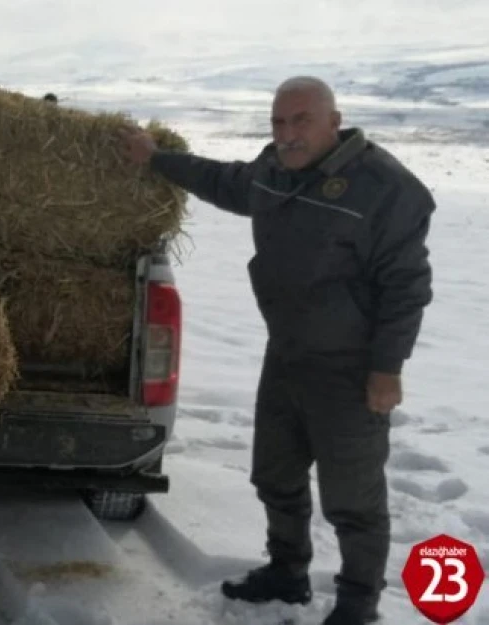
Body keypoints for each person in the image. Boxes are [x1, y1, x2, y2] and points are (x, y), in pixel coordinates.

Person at [118, 76, 434, 625]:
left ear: (335, 121)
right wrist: (157, 159)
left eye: (301, 120)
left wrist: (387, 368)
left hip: (350, 370)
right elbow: (221, 180)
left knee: (353, 500)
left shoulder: (385, 189)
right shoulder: (272, 174)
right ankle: (287, 572)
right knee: (275, 475)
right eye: (279, 122)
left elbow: (407, 287)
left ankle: (359, 603)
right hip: (286, 355)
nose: (287, 134)